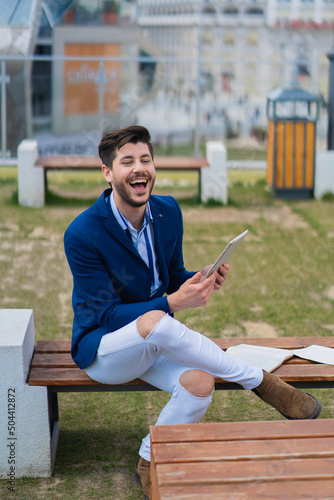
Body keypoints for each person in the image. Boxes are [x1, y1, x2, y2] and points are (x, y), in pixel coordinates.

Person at [64, 125, 321, 500]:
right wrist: (173, 303)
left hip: (154, 340)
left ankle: (150, 460)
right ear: (108, 172)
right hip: (104, 350)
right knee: (159, 319)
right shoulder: (82, 233)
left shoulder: (167, 211)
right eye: (127, 162)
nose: (140, 169)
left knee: (201, 384)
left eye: (146, 160)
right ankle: (261, 383)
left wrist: (201, 277)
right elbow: (107, 315)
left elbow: (171, 277)